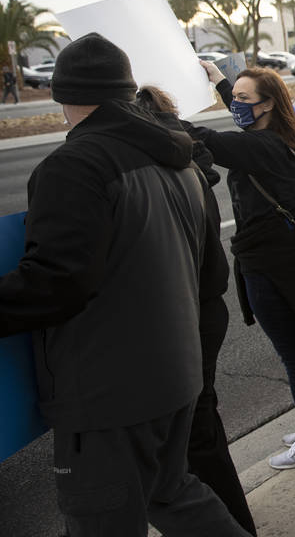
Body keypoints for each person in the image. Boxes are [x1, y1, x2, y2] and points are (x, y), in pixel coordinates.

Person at [0, 33, 250, 536]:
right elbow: (207, 273)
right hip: (176, 373)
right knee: (174, 494)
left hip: (106, 392)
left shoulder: (74, 166)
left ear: (61, 96)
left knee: (102, 518)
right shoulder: (179, 161)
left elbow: (56, 283)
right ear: (125, 90)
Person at [191, 62, 295, 471]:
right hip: (294, 258)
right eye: (233, 97)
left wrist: (158, 112)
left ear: (269, 104)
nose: (235, 105)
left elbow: (201, 137)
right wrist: (220, 80)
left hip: (270, 263)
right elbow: (239, 121)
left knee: (294, 353)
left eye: (243, 99)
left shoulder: (260, 147)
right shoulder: (284, 136)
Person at [135, 85, 258, 535]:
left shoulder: (165, 173)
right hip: (202, 308)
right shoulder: (187, 166)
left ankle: (230, 524)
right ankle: (233, 520)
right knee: (202, 431)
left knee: (192, 440)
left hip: (187, 313)